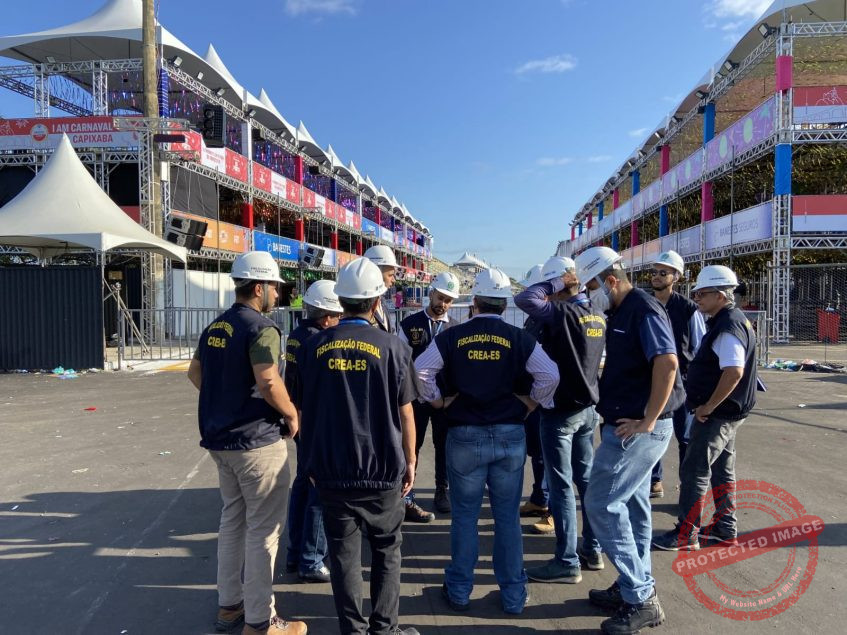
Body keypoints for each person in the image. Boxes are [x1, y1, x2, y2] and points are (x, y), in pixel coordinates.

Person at [415, 268, 559, 615]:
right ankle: (512, 595)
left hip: (464, 433)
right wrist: (531, 402)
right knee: (506, 518)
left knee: (464, 517)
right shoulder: (519, 337)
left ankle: (460, 590)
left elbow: (421, 369)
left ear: (474, 302)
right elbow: (550, 374)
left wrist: (437, 401)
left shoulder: (452, 336)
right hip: (509, 433)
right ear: (504, 302)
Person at [294, 258, 420, 635]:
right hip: (382, 471)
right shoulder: (394, 348)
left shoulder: (313, 348)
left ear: (341, 301)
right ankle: (385, 629)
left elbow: (302, 408)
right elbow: (407, 414)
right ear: (377, 301)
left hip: (331, 471)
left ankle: (352, 629)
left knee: (344, 557)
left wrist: (310, 463)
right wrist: (410, 461)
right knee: (386, 553)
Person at [187, 251, 306, 635]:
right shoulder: (262, 328)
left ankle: (229, 607)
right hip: (257, 442)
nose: (278, 294)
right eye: (274, 287)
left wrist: (227, 399)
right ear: (259, 287)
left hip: (221, 441)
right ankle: (261, 620)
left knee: (233, 522)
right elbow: (269, 380)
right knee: (264, 532)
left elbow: (194, 372)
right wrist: (291, 415)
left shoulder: (215, 327)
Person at [575, 246, 683, 635]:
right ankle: (631, 584)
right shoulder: (621, 310)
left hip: (637, 429)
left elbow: (667, 362)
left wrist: (648, 420)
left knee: (601, 503)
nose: (588, 296)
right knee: (632, 507)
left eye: (591, 286)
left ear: (610, 280)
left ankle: (640, 597)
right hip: (627, 423)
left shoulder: (642, 308)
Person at [514, 255, 607, 583]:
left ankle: (567, 561)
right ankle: (592, 549)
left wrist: (559, 282)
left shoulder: (562, 313)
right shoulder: (595, 313)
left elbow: (524, 299)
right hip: (588, 410)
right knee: (586, 482)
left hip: (560, 411)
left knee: (562, 486)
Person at [652, 265, 757, 552]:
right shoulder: (730, 321)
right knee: (723, 470)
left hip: (718, 415)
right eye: (696, 293)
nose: (697, 298)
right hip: (728, 413)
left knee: (695, 471)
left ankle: (687, 534)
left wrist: (708, 406)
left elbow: (733, 372)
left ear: (721, 295)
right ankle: (725, 527)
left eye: (703, 293)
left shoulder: (728, 326)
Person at [283, 280, 343, 583]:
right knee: (318, 491)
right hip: (314, 422)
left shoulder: (297, 335)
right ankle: (312, 559)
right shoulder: (318, 342)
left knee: (303, 486)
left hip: (298, 418)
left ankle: (296, 552)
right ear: (327, 317)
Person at [398, 271, 460, 517]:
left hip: (444, 400)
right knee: (411, 446)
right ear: (431, 292)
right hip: (414, 400)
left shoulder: (455, 328)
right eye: (440, 297)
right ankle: (407, 494)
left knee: (443, 446)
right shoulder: (409, 325)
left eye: (448, 300)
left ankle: (442, 491)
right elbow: (400, 364)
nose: (442, 304)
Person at [647, 251, 706, 499]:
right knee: (650, 432)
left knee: (684, 437)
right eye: (654, 272)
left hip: (681, 382)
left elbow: (701, 347)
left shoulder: (689, 309)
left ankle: (687, 487)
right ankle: (653, 480)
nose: (657, 277)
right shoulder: (644, 304)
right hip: (650, 380)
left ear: (676, 276)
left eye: (663, 272)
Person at [516, 264, 551, 526]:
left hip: (545, 398)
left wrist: (534, 399)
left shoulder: (552, 319)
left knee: (548, 456)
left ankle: (549, 508)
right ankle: (540, 498)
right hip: (536, 397)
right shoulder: (536, 319)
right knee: (539, 454)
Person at [364, 244, 399, 333]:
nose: (394, 280)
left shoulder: (382, 301)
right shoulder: (360, 306)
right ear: (375, 274)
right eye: (390, 275)